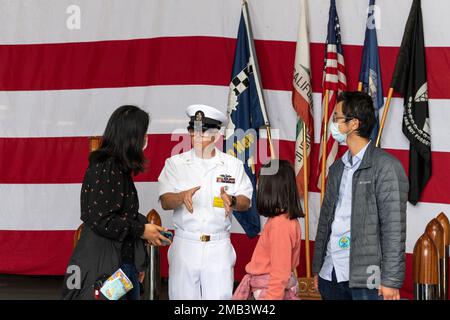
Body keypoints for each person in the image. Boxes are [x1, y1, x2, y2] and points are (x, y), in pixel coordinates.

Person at [62, 105, 171, 300]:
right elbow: (101, 219)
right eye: (143, 134)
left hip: (122, 265)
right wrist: (141, 230)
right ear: (131, 137)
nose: (145, 140)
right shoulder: (106, 168)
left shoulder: (118, 168)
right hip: (104, 268)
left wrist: (136, 260)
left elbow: (122, 214)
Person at [312, 91, 408, 300]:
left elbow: (394, 227)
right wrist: (319, 267)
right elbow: (326, 221)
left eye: (336, 118)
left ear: (353, 124)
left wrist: (390, 280)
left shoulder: (386, 167)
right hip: (331, 273)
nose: (332, 123)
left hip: (367, 279)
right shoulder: (337, 167)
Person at [158, 104, 253, 300]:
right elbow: (166, 200)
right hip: (185, 244)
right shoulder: (175, 163)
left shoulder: (232, 165)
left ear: (217, 135)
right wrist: (181, 197)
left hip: (218, 246)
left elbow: (246, 201)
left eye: (204, 131)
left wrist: (233, 200)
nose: (198, 135)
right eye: (194, 130)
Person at [232, 160, 303, 300]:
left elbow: (280, 274)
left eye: (260, 184)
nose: (257, 187)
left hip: (269, 292)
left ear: (269, 188)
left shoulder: (280, 225)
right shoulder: (283, 220)